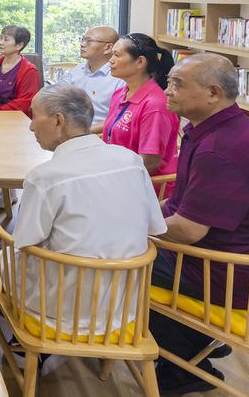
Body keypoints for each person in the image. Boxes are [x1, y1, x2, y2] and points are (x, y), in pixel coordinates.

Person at [151, 53, 249, 394]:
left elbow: (188, 230)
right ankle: (193, 344)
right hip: (227, 260)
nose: (166, 90)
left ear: (213, 93)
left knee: (116, 257)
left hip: (228, 274)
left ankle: (183, 365)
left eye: (176, 84)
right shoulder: (217, 129)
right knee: (122, 241)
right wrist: (140, 211)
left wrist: (130, 222)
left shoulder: (220, 148)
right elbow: (179, 204)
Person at [15, 85, 165, 337]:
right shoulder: (130, 161)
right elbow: (155, 227)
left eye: (34, 116)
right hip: (124, 307)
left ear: (58, 120)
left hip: (62, 312)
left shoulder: (45, 177)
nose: (30, 126)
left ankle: (13, 348)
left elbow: (25, 241)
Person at [103, 33, 179, 199]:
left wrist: (107, 173)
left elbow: (150, 161)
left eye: (117, 55)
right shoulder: (121, 93)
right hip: (118, 177)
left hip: (145, 188)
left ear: (140, 62)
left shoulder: (155, 105)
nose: (110, 60)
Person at [63, 26, 124, 133]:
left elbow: (120, 118)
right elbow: (62, 100)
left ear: (108, 48)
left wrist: (82, 132)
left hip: (99, 135)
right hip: (71, 130)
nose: (82, 44)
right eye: (82, 39)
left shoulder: (120, 78)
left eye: (89, 41)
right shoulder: (77, 70)